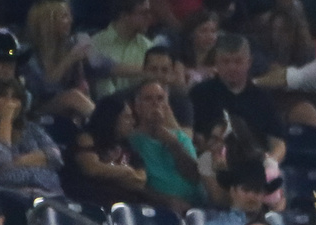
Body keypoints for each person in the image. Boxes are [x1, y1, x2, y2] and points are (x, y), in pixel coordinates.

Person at [0, 79, 64, 197]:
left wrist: (18, 161)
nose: (9, 103)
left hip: (44, 193)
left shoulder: (32, 129)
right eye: (3, 96)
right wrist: (6, 118)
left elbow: (55, 157)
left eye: (15, 98)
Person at [191, 34, 291, 155]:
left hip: (254, 165)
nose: (232, 67)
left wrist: (270, 163)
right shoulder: (200, 94)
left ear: (249, 62)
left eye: (238, 61)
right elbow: (191, 136)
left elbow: (278, 143)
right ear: (216, 62)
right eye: (225, 61)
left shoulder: (262, 98)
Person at [129, 80, 211, 213]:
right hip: (158, 209)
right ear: (137, 107)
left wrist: (174, 145)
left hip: (198, 208)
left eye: (160, 99)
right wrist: (167, 201)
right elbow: (135, 186)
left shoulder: (179, 138)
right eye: (148, 99)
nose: (155, 103)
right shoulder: (131, 141)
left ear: (167, 106)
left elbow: (195, 176)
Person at [65, 94, 149, 205]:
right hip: (93, 202)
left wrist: (108, 171)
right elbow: (92, 169)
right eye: (127, 117)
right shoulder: (88, 138)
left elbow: (140, 181)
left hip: (124, 205)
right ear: (112, 117)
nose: (133, 122)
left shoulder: (127, 145)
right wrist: (126, 171)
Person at [23, 0, 98, 122]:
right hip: (38, 107)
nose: (70, 21)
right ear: (48, 22)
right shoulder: (29, 54)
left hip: (67, 104)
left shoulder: (70, 45)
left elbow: (103, 66)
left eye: (69, 15)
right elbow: (46, 86)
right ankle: (104, 123)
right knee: (73, 97)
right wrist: (70, 59)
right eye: (64, 16)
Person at [90, 0, 156, 100]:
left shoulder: (149, 47)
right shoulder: (96, 44)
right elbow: (102, 68)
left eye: (149, 12)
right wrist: (149, 70)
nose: (149, 17)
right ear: (124, 16)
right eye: (143, 13)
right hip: (103, 107)